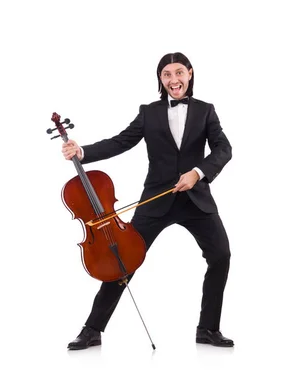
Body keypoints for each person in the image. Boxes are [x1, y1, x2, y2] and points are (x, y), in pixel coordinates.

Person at [62, 52, 234, 349]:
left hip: (197, 200)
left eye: (179, 72)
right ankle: (92, 330)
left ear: (190, 74)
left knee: (221, 255)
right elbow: (121, 141)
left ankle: (208, 329)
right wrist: (83, 152)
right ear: (161, 79)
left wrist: (198, 172)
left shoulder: (206, 111)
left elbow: (224, 148)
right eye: (167, 75)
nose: (173, 79)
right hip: (156, 200)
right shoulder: (149, 111)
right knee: (123, 258)